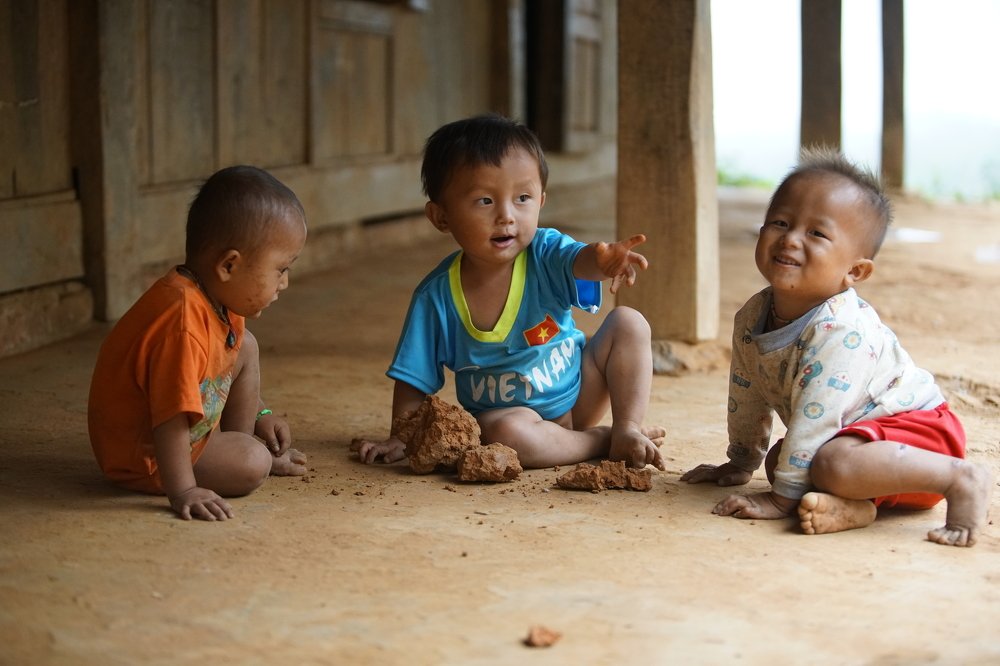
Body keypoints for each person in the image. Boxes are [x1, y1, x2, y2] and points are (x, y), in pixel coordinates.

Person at [681, 147, 993, 547]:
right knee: (783, 461)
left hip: (918, 438)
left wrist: (780, 500)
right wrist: (742, 461)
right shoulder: (753, 315)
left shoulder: (841, 331)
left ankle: (961, 477)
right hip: (856, 443)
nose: (791, 239)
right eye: (779, 222)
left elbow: (818, 416)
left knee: (824, 464)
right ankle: (856, 508)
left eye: (817, 233)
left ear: (855, 271)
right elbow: (748, 392)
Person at [353, 113, 665, 470]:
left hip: (579, 392)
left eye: (522, 198)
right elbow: (413, 379)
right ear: (441, 216)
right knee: (500, 432)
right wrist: (403, 436)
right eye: (485, 201)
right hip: (515, 424)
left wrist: (601, 259)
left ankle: (627, 427)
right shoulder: (436, 296)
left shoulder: (544, 252)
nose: (506, 216)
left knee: (629, 321)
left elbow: (577, 261)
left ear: (541, 200)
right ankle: (602, 440)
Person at [88, 165, 309, 522]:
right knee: (253, 464)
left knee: (246, 345)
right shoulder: (181, 324)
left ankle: (236, 444)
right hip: (148, 455)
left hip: (174, 434)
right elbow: (169, 419)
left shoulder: (214, 297)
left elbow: (220, 366)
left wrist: (261, 413)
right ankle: (238, 454)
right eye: (280, 269)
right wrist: (184, 490)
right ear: (229, 265)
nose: (284, 282)